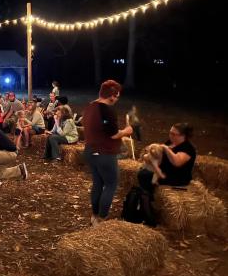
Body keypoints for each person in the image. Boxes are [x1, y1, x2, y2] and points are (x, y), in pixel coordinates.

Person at [83, 80, 133, 226]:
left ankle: (94, 216)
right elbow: (113, 134)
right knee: (111, 184)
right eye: (117, 97)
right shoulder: (107, 110)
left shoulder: (90, 106)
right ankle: (101, 219)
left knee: (98, 182)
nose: (117, 100)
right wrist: (126, 131)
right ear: (112, 95)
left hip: (90, 151)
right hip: (104, 153)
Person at [138, 123, 196, 194]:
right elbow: (158, 154)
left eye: (174, 134)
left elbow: (176, 162)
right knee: (143, 171)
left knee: (145, 175)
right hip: (164, 172)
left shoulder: (188, 148)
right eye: (170, 133)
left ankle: (149, 198)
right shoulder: (170, 142)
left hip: (175, 178)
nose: (170, 136)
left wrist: (166, 148)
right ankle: (145, 196)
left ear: (183, 136)